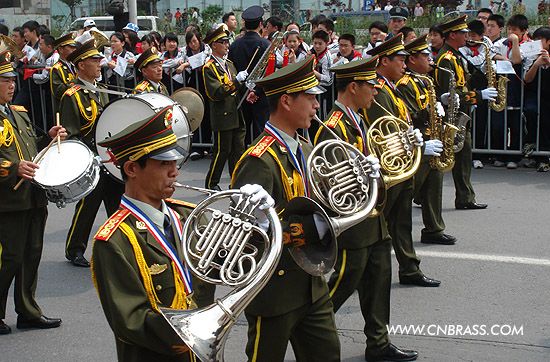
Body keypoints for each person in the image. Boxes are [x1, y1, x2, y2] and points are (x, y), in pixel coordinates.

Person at [92, 102, 276, 360]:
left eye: (176, 161)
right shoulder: (114, 240)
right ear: (132, 169)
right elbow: (130, 321)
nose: (175, 171)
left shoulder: (188, 215)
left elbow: (228, 264)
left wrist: (259, 224)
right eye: (163, 163)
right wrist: (194, 330)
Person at [231, 56, 340, 362]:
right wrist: (312, 228)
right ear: (287, 101)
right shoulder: (259, 160)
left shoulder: (305, 149)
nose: (317, 105)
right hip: (274, 292)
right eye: (310, 98)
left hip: (312, 285)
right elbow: (248, 237)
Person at [315, 57, 419, 362]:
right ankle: (304, 327)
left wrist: (405, 146)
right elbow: (335, 184)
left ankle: (379, 343)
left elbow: (377, 162)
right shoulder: (333, 127)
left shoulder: (359, 119)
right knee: (342, 285)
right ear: (353, 87)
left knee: (378, 282)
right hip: (354, 223)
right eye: (370, 87)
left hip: (374, 218)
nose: (375, 92)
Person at [0, 51, 65, 334]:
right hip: (8, 199)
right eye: (5, 80)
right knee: (9, 258)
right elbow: (12, 159)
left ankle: (28, 311)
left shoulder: (18, 113)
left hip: (32, 194)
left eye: (13, 79)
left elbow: (31, 146)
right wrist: (13, 168)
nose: (12, 84)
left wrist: (48, 137)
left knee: (31, 254)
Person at [59, 41, 125, 266]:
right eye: (94, 61)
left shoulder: (100, 89)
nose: (100, 64)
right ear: (80, 65)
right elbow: (71, 133)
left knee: (117, 204)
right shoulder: (72, 95)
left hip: (109, 156)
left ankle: (120, 247)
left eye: (99, 60)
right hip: (89, 158)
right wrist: (87, 158)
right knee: (88, 206)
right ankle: (74, 249)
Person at [397, 35, 458, 247]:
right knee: (410, 190)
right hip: (418, 141)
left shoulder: (426, 80)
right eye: (425, 55)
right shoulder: (405, 83)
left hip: (433, 138)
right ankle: (393, 229)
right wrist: (430, 110)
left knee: (434, 185)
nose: (430, 58)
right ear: (412, 59)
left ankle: (434, 228)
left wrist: (442, 102)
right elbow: (409, 114)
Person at [434, 15, 491, 210]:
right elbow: (449, 94)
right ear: (452, 35)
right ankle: (463, 198)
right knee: (454, 157)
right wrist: (479, 96)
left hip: (461, 113)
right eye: (463, 33)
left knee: (463, 156)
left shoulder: (457, 56)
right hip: (453, 115)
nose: (467, 36)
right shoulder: (446, 58)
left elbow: (464, 85)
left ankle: (464, 197)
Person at [202, 25, 247, 191]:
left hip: (236, 112)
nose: (227, 45)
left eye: (227, 41)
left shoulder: (229, 64)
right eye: (223, 42)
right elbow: (216, 93)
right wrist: (236, 82)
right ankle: (211, 184)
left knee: (238, 150)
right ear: (214, 45)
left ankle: (236, 181)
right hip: (223, 115)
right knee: (222, 151)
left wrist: (245, 89)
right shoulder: (209, 68)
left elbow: (236, 86)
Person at [228, 5, 271, 140]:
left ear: (245, 24)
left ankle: (242, 160)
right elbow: (268, 72)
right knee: (261, 133)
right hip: (261, 96)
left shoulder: (235, 45)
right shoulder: (266, 44)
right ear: (260, 24)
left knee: (242, 134)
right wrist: (256, 91)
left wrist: (246, 89)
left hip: (241, 94)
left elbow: (231, 70)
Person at [103, 32, 136, 99]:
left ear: (122, 43)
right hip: (114, 86)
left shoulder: (129, 55)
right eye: (111, 41)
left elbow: (129, 73)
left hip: (127, 86)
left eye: (115, 41)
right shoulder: (110, 57)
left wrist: (115, 67)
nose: (112, 44)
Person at [49, 33, 77, 112]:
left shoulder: (74, 65)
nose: (74, 50)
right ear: (61, 49)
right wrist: (75, 82)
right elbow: (58, 91)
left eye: (74, 47)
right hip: (65, 107)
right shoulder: (56, 68)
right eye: (71, 48)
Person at [311, 30, 333, 121]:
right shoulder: (313, 53)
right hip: (315, 92)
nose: (317, 46)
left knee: (322, 117)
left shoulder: (326, 58)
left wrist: (314, 73)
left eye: (320, 43)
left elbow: (328, 80)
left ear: (326, 43)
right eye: (315, 43)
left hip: (324, 94)